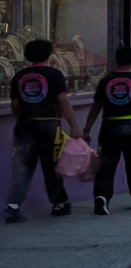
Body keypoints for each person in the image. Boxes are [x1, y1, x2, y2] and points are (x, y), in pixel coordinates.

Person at [3, 40, 84, 223]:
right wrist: (74, 126)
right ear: (48, 55)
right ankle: (59, 203)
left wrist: (23, 118)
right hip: (49, 125)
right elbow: (63, 101)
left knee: (22, 166)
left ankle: (13, 206)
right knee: (52, 166)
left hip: (25, 125)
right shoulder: (54, 75)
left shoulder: (20, 76)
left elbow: (15, 105)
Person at [83, 46, 131, 214]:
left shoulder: (105, 81)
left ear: (116, 60)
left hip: (109, 127)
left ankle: (102, 196)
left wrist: (87, 128)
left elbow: (96, 107)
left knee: (107, 164)